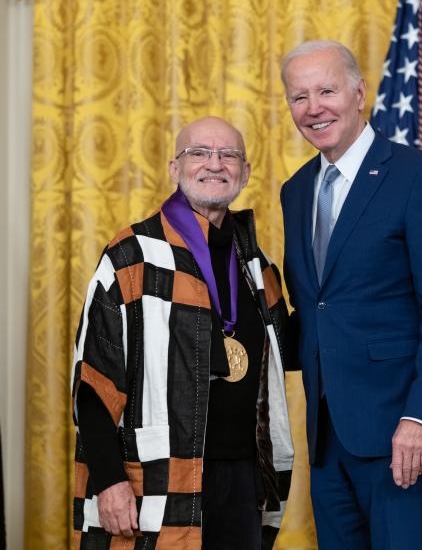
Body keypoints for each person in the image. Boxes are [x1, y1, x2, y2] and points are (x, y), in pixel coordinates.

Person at [279, 40, 422, 549]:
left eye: (326, 90)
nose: (313, 108)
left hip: (401, 433)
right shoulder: (295, 191)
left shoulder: (419, 175)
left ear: (359, 92)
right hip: (327, 437)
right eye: (299, 97)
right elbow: (315, 308)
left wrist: (420, 417)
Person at [71, 116, 294, 549]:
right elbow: (92, 384)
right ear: (175, 168)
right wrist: (109, 480)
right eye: (200, 153)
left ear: (245, 173)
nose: (215, 164)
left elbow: (292, 349)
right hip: (156, 478)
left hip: (245, 478)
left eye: (229, 154)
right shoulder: (132, 256)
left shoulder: (257, 265)